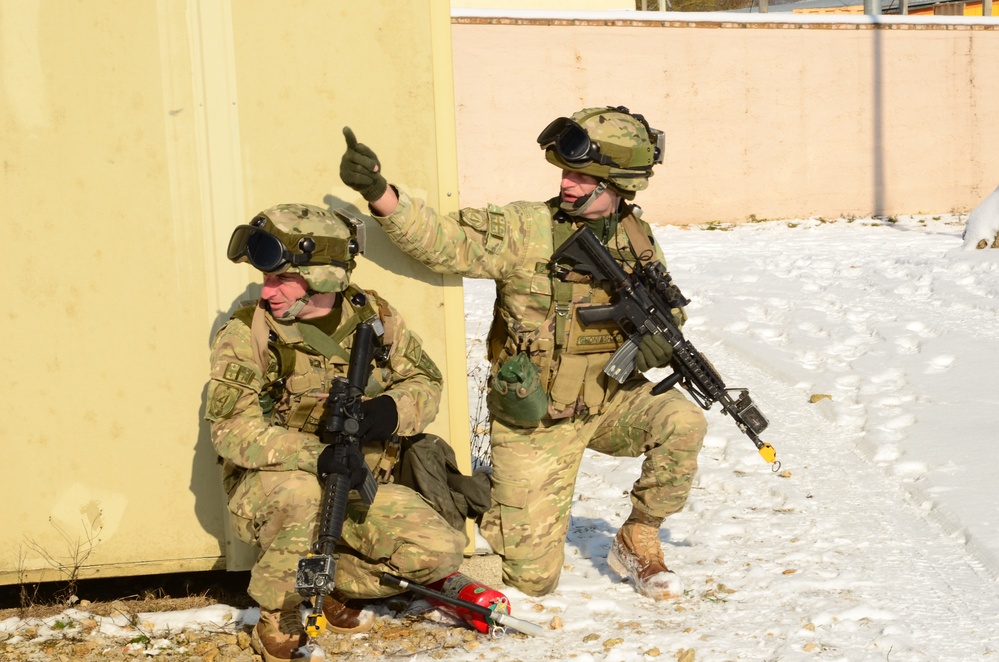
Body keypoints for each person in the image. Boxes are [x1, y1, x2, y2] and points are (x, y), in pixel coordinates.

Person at [338, 106, 708, 602]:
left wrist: (657, 342)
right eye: (566, 172)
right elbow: (447, 243)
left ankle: (638, 534)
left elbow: (664, 310)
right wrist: (381, 194)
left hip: (609, 401)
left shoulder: (637, 238)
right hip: (536, 418)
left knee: (684, 422)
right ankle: (487, 493)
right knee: (532, 580)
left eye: (582, 176)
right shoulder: (525, 228)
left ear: (618, 184)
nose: (567, 184)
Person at [205, 203, 466, 662]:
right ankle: (280, 609)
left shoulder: (375, 316)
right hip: (275, 483)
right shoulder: (249, 332)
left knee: (441, 551)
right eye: (267, 278)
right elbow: (231, 430)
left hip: (358, 476)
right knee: (303, 495)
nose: (268, 292)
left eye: (282, 279)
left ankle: (330, 583)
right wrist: (314, 456)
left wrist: (389, 410)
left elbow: (426, 382)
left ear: (323, 278)